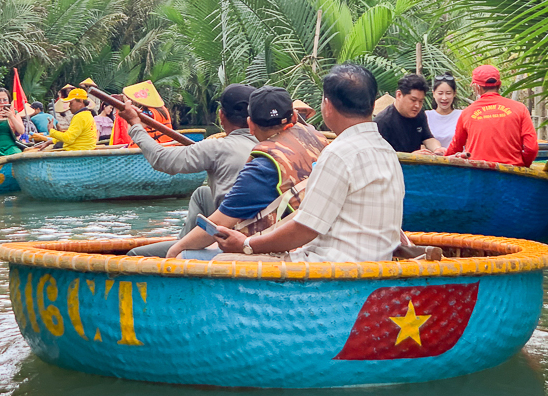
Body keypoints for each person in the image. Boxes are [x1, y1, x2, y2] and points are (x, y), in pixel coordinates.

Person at [208, 64, 405, 263]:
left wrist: (246, 245)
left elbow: (305, 229)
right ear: (372, 106)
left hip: (331, 268)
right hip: (375, 264)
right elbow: (308, 219)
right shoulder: (387, 151)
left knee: (221, 262)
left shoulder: (339, 153)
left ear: (327, 106)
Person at [157, 86, 331, 259]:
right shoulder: (316, 138)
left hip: (284, 249)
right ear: (294, 117)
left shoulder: (263, 166)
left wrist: (176, 249)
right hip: (315, 237)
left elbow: (218, 223)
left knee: (183, 256)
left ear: (251, 125)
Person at [122, 84, 259, 256]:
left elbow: (162, 160)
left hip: (238, 235)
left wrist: (135, 125)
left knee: (134, 255)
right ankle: (185, 242)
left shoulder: (217, 147)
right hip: (256, 224)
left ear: (221, 116)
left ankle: (182, 251)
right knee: (202, 193)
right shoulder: (270, 144)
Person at [444, 65, 538, 167]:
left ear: (477, 87)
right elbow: (531, 148)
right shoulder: (520, 109)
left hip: (478, 174)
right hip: (512, 174)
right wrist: (524, 165)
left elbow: (455, 147)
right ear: (499, 85)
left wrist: (443, 163)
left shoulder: (467, 112)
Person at [374, 74, 444, 155]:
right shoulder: (382, 122)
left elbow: (427, 138)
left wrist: (437, 149)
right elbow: (382, 156)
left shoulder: (419, 114)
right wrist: (412, 157)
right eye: (413, 100)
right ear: (399, 95)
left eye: (421, 101)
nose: (417, 105)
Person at [110, 81, 174, 147]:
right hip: (166, 146)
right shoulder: (163, 109)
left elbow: (131, 130)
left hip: (150, 149)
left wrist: (129, 113)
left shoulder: (147, 112)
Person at [425, 74, 462, 149]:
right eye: (440, 93)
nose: (444, 98)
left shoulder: (462, 115)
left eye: (448, 93)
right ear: (434, 94)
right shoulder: (425, 116)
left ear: (454, 93)